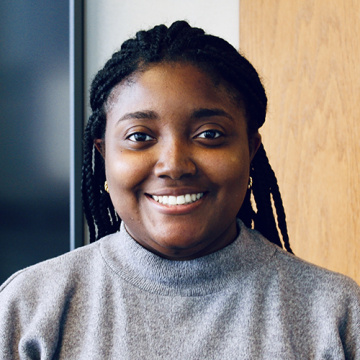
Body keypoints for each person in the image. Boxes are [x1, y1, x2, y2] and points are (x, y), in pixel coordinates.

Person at [0, 21, 359, 359]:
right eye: (140, 136)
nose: (173, 165)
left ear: (251, 150)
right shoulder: (29, 309)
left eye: (210, 134)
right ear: (103, 153)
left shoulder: (335, 315)